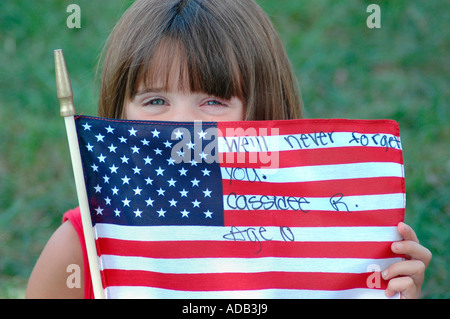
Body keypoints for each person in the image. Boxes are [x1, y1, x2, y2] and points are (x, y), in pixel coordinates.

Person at [26, 0, 431, 299]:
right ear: (118, 111)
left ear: (262, 111)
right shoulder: (80, 248)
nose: (181, 125)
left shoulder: (324, 238)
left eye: (213, 100)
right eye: (154, 101)